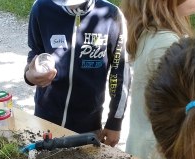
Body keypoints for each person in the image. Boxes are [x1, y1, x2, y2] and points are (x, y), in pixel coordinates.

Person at [24, 0, 130, 147]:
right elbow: (35, 51)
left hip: (88, 127)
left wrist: (115, 122)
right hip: (45, 120)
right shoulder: (41, 8)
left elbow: (120, 73)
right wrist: (29, 75)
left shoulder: (112, 16)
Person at [120, 0, 195, 159]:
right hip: (159, 158)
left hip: (146, 149)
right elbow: (191, 102)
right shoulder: (166, 43)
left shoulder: (154, 33)